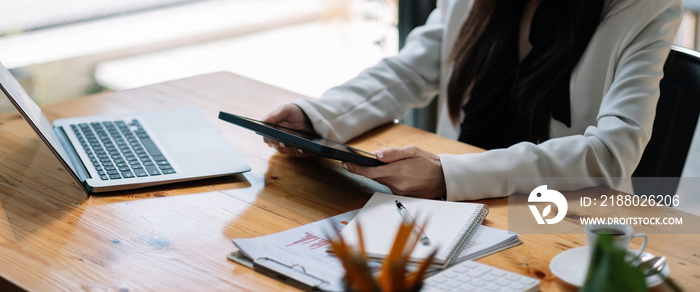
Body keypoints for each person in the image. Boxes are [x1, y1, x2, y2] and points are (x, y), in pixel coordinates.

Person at [262, 0, 683, 201]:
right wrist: (316, 117)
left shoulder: (644, 8)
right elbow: (411, 70)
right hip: (448, 205)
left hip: (560, 213)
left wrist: (448, 175)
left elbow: (612, 152)